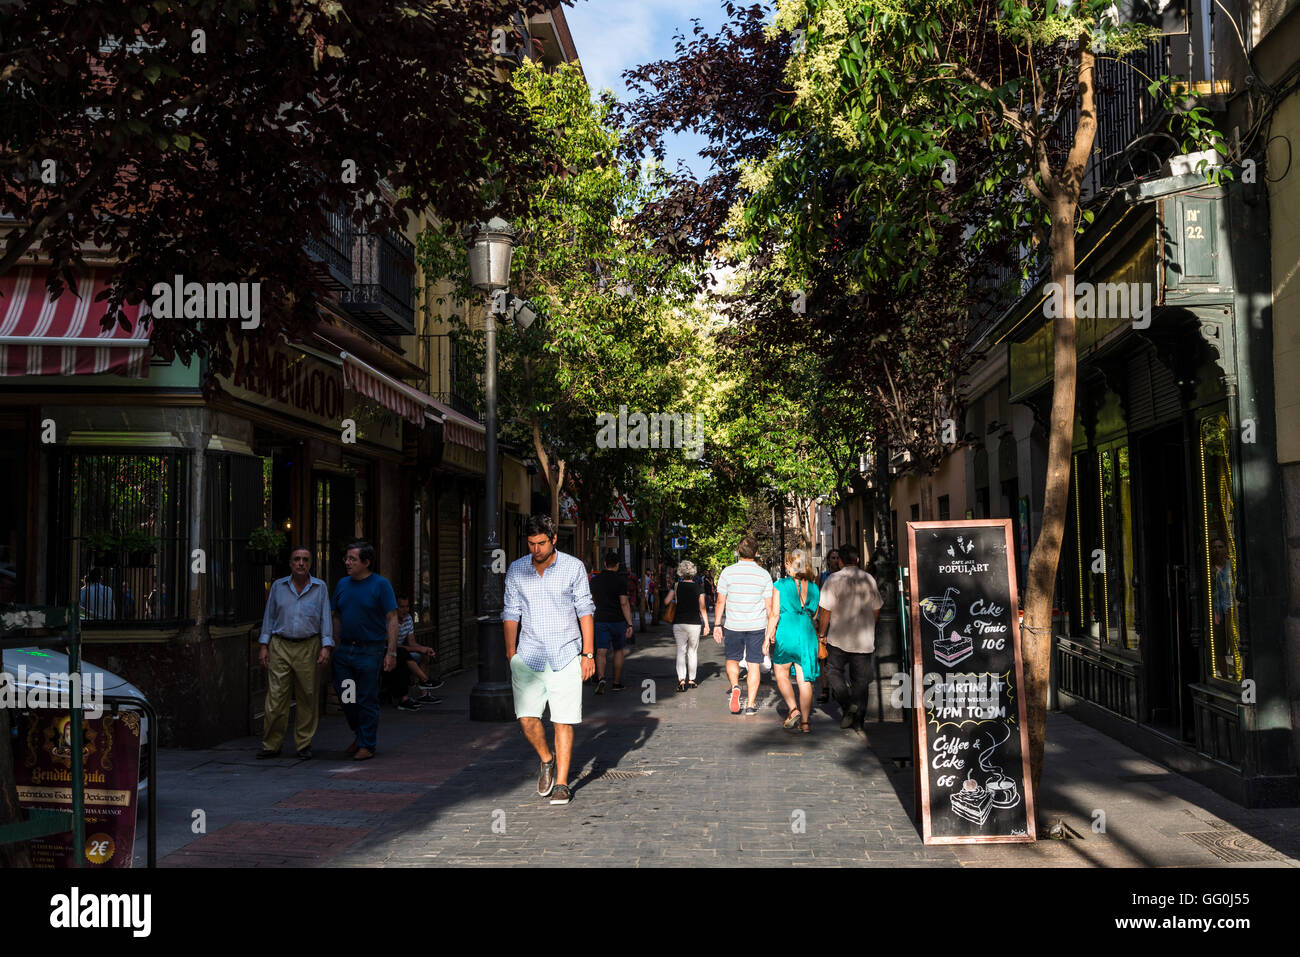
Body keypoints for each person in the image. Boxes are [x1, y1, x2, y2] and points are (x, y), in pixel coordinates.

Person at [503, 514, 595, 807]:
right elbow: (510, 612)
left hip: (566, 653)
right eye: (531, 544)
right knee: (527, 719)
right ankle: (546, 759)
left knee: (562, 720)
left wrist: (588, 654)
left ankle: (563, 783)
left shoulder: (573, 568)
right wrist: (510, 652)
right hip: (528, 655)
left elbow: (585, 610)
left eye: (541, 543)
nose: (536, 549)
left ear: (554, 539)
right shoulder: (517, 570)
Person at [257, 546, 333, 759]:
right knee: (276, 697)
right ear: (290, 563)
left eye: (305, 560)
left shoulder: (320, 588)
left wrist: (326, 647)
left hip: (309, 645)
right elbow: (269, 617)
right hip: (280, 644)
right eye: (297, 559)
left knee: (307, 696)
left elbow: (325, 618)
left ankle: (303, 743)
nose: (301, 563)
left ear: (310, 564)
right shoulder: (278, 587)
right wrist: (264, 645)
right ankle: (271, 744)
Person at [331, 541, 398, 761]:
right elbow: (337, 616)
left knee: (366, 698)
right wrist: (334, 644)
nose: (347, 563)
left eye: (352, 559)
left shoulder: (380, 585)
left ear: (366, 562)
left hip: (370, 651)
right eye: (347, 559)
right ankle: (360, 735)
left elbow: (392, 619)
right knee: (347, 697)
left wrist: (391, 652)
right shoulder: (342, 584)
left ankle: (367, 744)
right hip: (345, 652)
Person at [816, 545, 883, 731]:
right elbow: (876, 608)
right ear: (858, 560)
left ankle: (847, 704)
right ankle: (859, 723)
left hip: (839, 637)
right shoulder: (868, 579)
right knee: (861, 681)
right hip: (863, 638)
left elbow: (825, 612)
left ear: (841, 561)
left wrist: (822, 634)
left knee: (832, 671)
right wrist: (871, 626)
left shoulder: (833, 580)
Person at [712, 535, 773, 716]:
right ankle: (750, 705)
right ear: (756, 553)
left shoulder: (727, 573)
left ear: (738, 552)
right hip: (757, 626)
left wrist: (717, 625)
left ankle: (736, 686)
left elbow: (720, 601)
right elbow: (769, 606)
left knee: (732, 659)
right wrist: (772, 630)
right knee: (754, 664)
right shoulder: (764, 575)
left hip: (733, 625)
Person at [765, 551, 821, 732]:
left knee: (781, 672)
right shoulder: (814, 587)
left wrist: (767, 637)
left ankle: (793, 709)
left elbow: (774, 614)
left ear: (790, 565)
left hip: (787, 631)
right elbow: (816, 615)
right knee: (805, 679)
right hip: (806, 632)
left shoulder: (780, 585)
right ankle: (805, 723)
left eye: (787, 563)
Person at [589, 550, 634, 694]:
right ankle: (616, 683)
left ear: (604, 564)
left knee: (601, 651)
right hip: (617, 620)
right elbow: (624, 603)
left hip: (600, 619)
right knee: (618, 650)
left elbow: (591, 600)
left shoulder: (595, 580)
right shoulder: (621, 581)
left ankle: (601, 678)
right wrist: (629, 623)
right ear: (617, 565)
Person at [667, 559, 708, 692]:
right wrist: (707, 624)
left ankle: (681, 680)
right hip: (694, 623)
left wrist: (675, 598)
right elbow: (702, 608)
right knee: (692, 651)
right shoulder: (698, 587)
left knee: (680, 651)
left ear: (680, 572)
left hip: (679, 622)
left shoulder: (676, 586)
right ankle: (692, 680)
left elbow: (667, 601)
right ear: (693, 573)